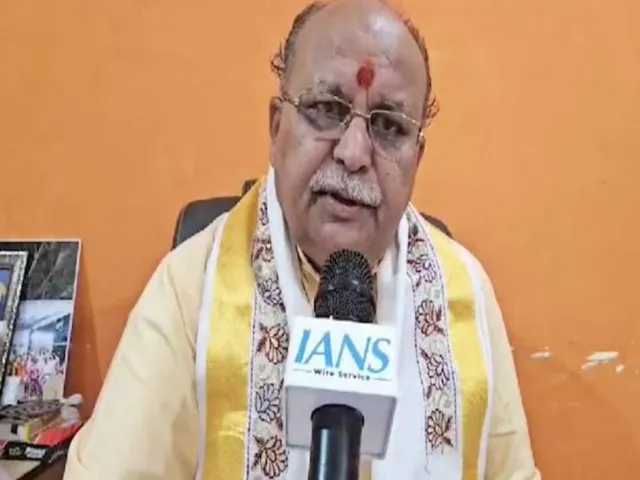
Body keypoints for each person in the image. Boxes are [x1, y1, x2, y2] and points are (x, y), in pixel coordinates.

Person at [63, 0, 540, 478]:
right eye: (326, 110)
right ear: (276, 128)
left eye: (389, 126)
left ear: (417, 159)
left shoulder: (466, 296)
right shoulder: (191, 289)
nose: (354, 153)